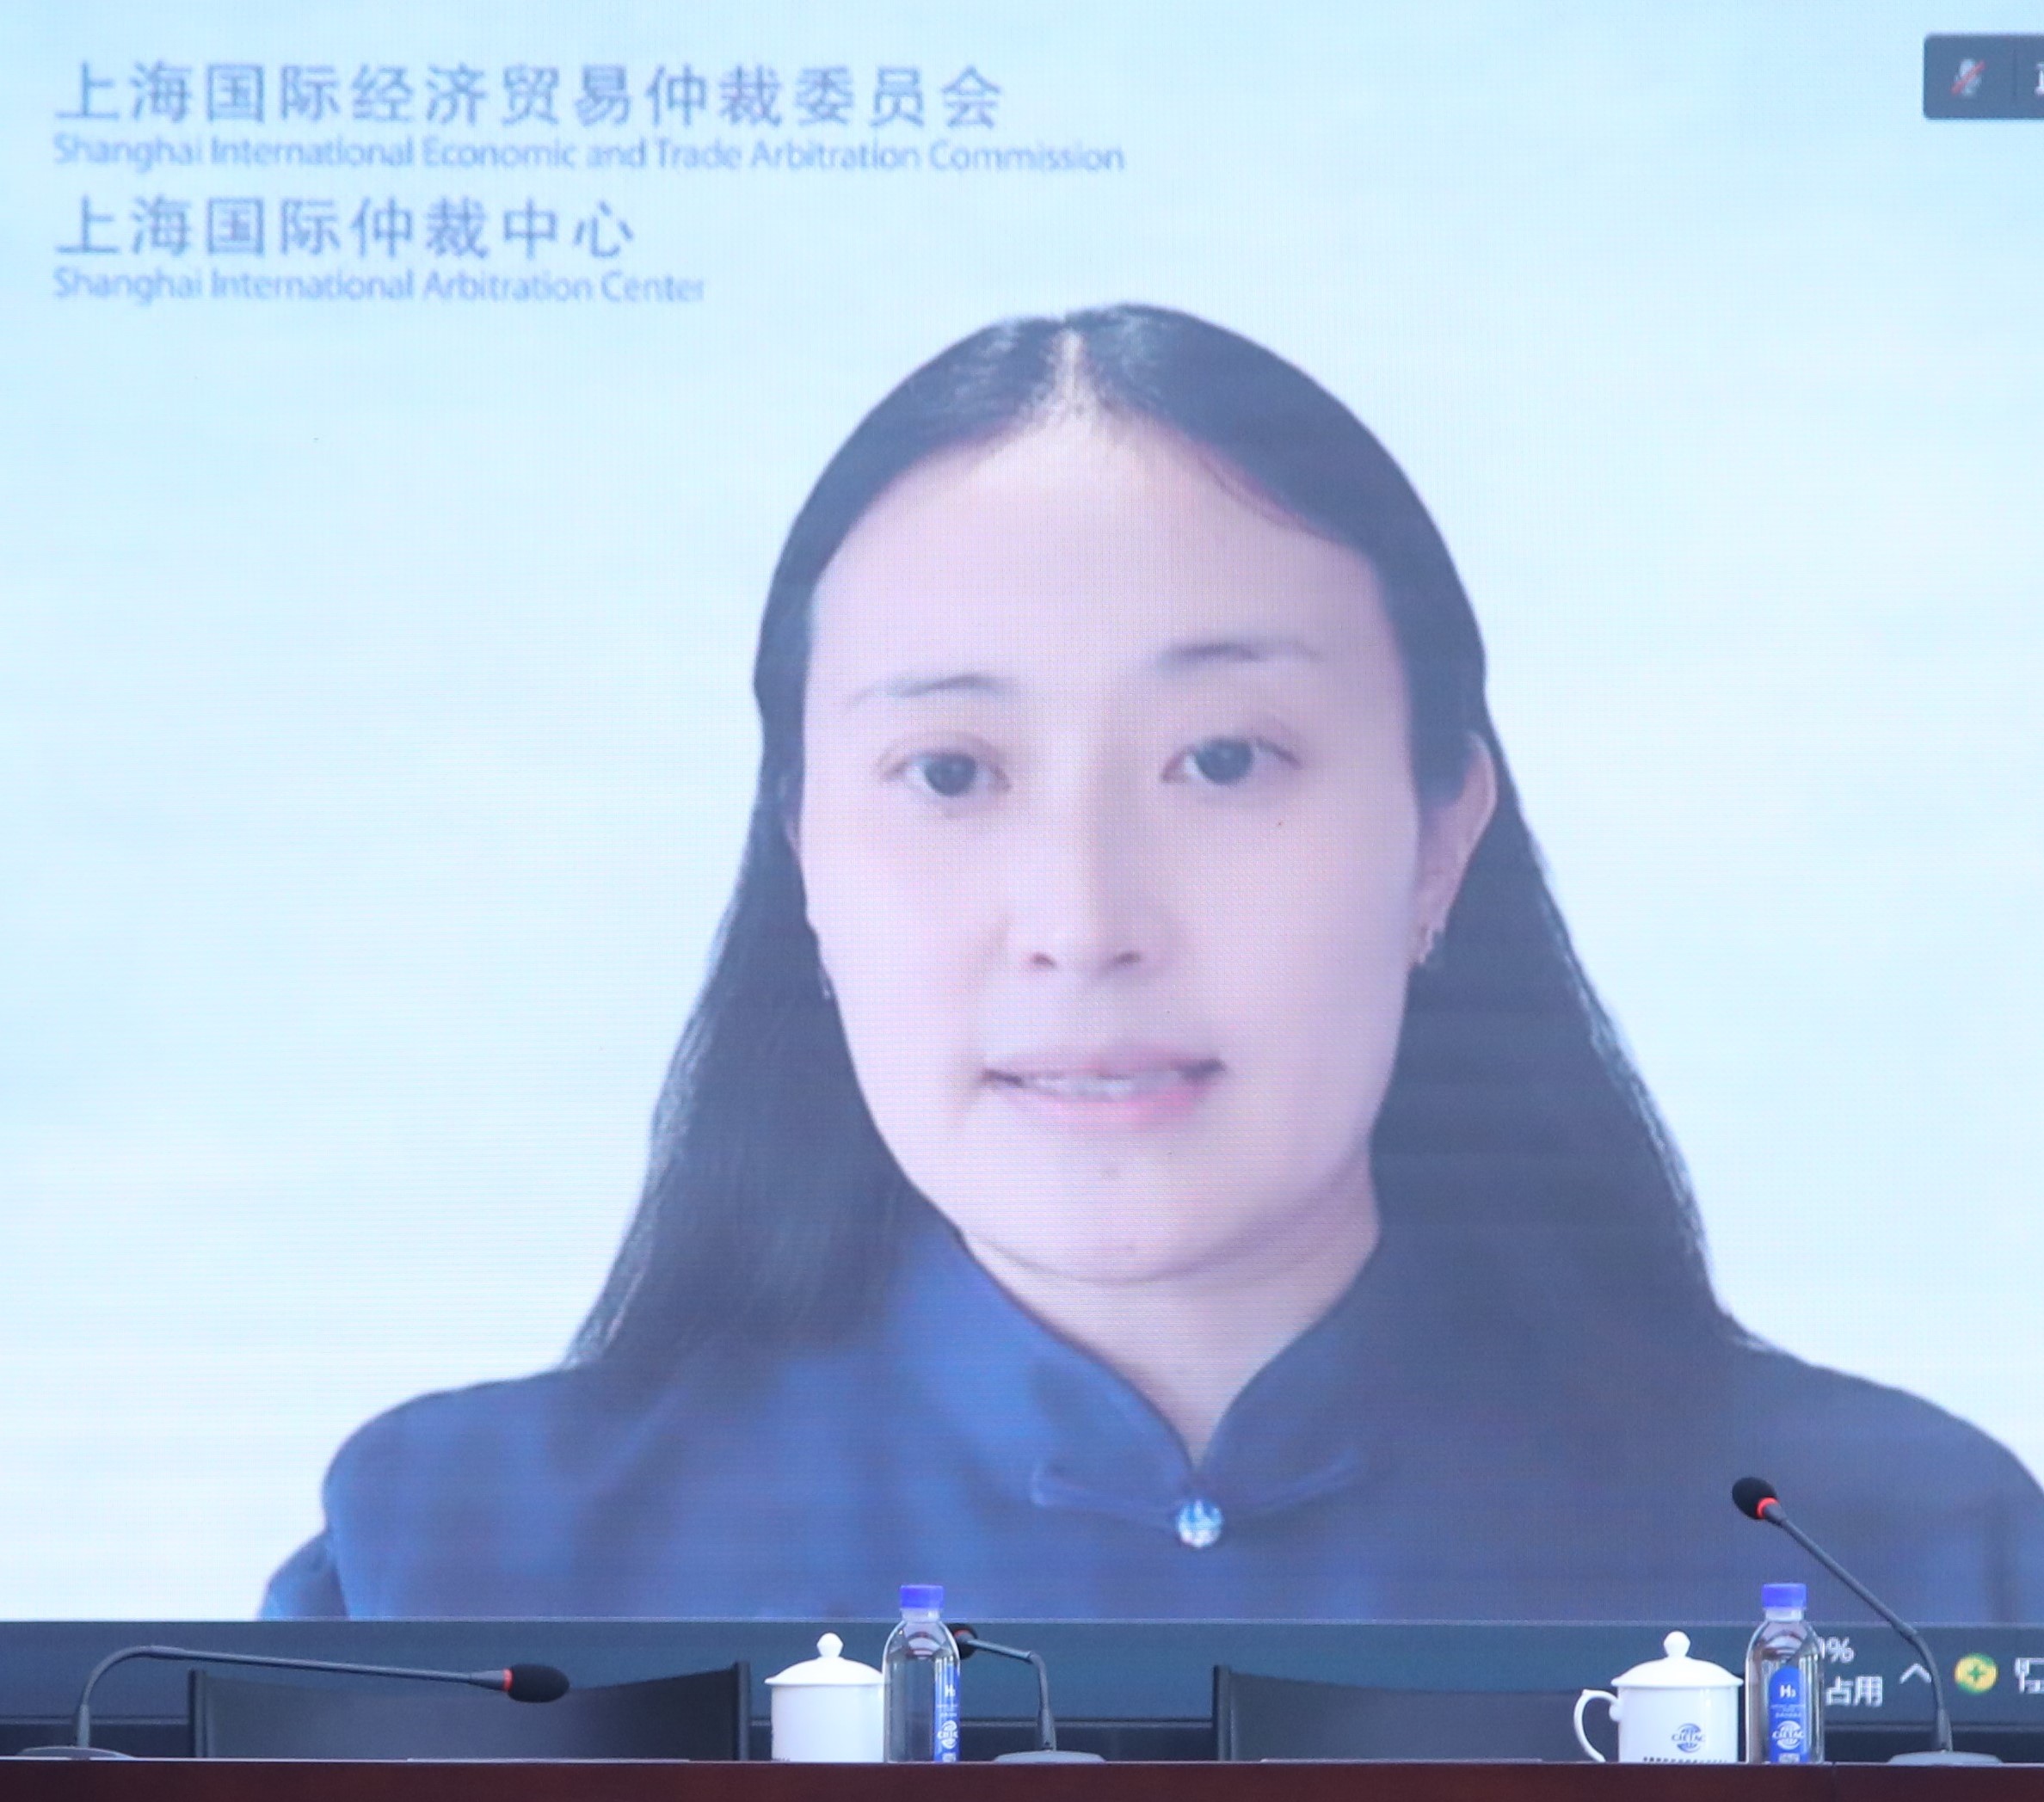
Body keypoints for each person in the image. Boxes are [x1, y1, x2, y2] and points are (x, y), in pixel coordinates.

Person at [264, 305, 2044, 1621]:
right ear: (804, 852)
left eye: (1225, 758)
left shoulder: (1899, 1562)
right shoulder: (458, 1570)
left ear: (1440, 834)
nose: (1084, 917)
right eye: (948, 773)